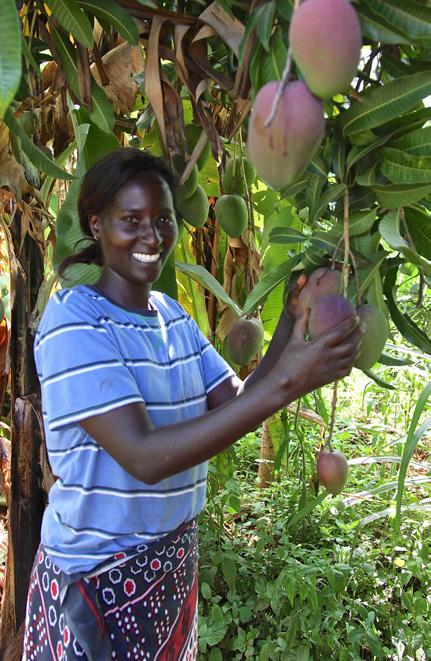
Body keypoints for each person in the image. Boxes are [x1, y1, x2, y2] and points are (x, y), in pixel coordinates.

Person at [23, 148, 362, 660]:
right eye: (130, 220)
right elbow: (144, 457)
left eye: (163, 219)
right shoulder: (75, 320)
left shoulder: (172, 316)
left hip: (171, 569)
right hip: (96, 584)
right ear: (95, 224)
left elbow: (238, 403)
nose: (152, 237)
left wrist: (291, 323)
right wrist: (292, 380)